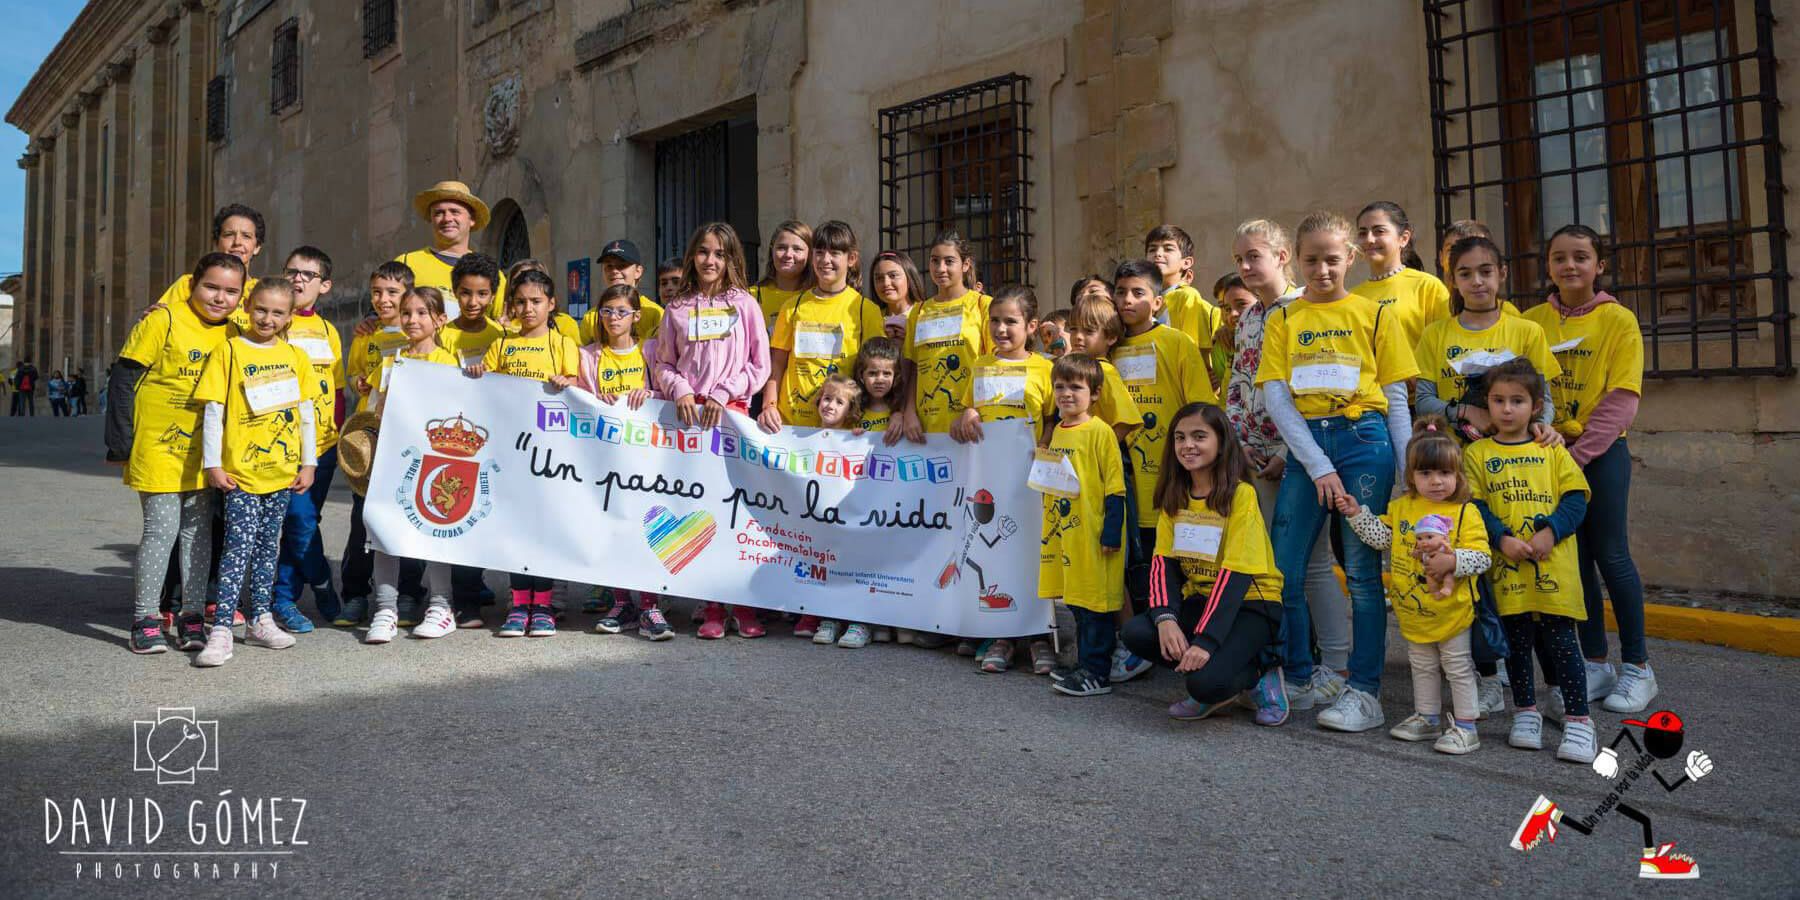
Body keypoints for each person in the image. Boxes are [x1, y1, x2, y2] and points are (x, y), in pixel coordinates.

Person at [1255, 210, 1417, 734]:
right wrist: (1318, 466)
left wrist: (1409, 471)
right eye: (1311, 260)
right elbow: (1277, 399)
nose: (1322, 270)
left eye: (1331, 259)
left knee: (1365, 575)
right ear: (1296, 262)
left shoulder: (1375, 314)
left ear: (1350, 257)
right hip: (1308, 445)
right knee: (1285, 568)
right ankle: (1301, 674)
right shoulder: (1283, 319)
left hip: (1365, 440)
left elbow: (1395, 399)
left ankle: (1364, 692)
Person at [1523, 224, 1656, 715]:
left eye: (1581, 257)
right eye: (1559, 257)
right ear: (1548, 266)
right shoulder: (1531, 322)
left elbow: (1621, 400)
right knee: (1574, 563)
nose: (1570, 266)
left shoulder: (1618, 320)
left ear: (1599, 265)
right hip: (1545, 456)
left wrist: (1575, 460)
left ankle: (1638, 667)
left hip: (1599, 456)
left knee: (1610, 555)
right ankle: (1596, 663)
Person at [1224, 218, 1351, 706]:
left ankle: (1335, 663)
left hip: (1300, 454)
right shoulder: (1249, 317)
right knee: (1281, 565)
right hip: (1254, 455)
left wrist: (1285, 452)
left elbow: (1313, 387)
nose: (1245, 266)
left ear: (1281, 257)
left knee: (1313, 562)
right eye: (1239, 259)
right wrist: (1240, 441)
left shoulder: (1303, 308)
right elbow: (1239, 382)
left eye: (1253, 256)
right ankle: (1298, 658)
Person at [106, 253, 244, 654]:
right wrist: (119, 441)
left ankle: (191, 616)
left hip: (206, 453)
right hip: (159, 447)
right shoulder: (162, 320)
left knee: (198, 535)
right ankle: (146, 619)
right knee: (161, 530)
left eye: (230, 291)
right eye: (211, 287)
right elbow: (123, 379)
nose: (219, 297)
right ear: (192, 285)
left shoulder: (235, 332)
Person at [1463, 358, 1598, 763]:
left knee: (1563, 644)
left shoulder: (1552, 449)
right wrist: (1501, 539)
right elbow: (1475, 506)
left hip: (1553, 566)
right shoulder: (1477, 454)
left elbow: (1576, 500)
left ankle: (1579, 721)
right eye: (1498, 400)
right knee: (1517, 644)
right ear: (1487, 404)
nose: (1507, 409)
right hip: (1507, 569)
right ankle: (1525, 712)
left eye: (1517, 401)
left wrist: (1550, 531)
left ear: (1536, 407)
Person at [1119, 402, 1288, 723]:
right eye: (1180, 437)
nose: (1188, 445)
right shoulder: (1175, 495)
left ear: (1221, 443)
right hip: (1202, 599)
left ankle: (1258, 672)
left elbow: (1235, 575)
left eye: (1199, 436)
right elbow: (1163, 565)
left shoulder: (1241, 495)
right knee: (1137, 633)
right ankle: (1215, 673)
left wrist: (1206, 642)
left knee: (1204, 684)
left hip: (1251, 605)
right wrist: (1165, 618)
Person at [1338, 417, 1493, 754]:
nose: (1436, 481)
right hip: (1414, 612)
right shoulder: (1401, 508)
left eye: (1444, 473)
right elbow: (1383, 539)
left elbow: (1483, 557)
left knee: (1457, 668)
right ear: (1411, 476)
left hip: (1452, 611)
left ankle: (1466, 727)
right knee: (1422, 667)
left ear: (1458, 475)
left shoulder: (1465, 512)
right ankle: (1427, 718)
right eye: (1426, 473)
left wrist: (1453, 561)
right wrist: (1357, 514)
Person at [191, 277, 321, 666]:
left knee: (268, 546)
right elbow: (213, 411)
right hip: (241, 474)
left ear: (289, 316)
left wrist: (309, 462)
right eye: (261, 309)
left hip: (281, 473)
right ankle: (221, 628)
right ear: (247, 306)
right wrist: (213, 463)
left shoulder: (295, 356)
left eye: (277, 313)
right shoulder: (229, 351)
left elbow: (306, 414)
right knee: (237, 547)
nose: (267, 318)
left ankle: (261, 619)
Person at [649, 222, 769, 638]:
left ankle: (745, 605)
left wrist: (724, 391)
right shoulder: (677, 308)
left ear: (731, 258)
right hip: (690, 425)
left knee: (738, 512)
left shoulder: (745, 305)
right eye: (703, 252)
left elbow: (759, 365)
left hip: (731, 418)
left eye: (719, 253)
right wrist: (680, 388)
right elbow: (663, 363)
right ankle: (713, 603)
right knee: (703, 513)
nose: (710, 260)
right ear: (692, 256)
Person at [943, 285, 1055, 673]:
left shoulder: (1046, 370)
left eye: (1011, 321)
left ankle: (1040, 637)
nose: (1001, 329)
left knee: (1032, 554)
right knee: (997, 553)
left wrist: (1045, 442)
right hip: (988, 483)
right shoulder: (979, 366)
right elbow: (965, 413)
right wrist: (967, 414)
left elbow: (1054, 418)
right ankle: (1003, 636)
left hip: (1030, 482)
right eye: (995, 321)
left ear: (1032, 326)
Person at [471, 268, 581, 637]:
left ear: (552, 304)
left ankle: (544, 605)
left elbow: (578, 388)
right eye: (520, 302)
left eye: (536, 301)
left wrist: (569, 382)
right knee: (516, 528)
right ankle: (519, 604)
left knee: (544, 528)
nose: (528, 308)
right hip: (510, 452)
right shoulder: (501, 345)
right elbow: (485, 388)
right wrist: (477, 374)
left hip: (550, 454)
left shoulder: (563, 344)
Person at [361, 288, 462, 644]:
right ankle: (385, 608)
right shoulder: (392, 360)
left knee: (435, 529)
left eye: (422, 313)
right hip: (394, 458)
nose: (412, 320)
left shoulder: (448, 362)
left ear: (440, 320)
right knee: (384, 530)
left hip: (434, 459)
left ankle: (441, 605)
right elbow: (375, 406)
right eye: (407, 313)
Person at [577, 284, 674, 642]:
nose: (613, 318)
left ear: (636, 316)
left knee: (646, 526)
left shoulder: (650, 350)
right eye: (606, 311)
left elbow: (668, 393)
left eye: (621, 311)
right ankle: (621, 603)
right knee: (613, 527)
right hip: (605, 458)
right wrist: (592, 397)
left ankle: (650, 603)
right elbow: (577, 397)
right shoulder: (589, 356)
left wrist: (651, 393)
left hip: (646, 457)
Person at [1036, 355, 1128, 697]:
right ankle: (1082, 664)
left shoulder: (1100, 432)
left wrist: (1111, 532)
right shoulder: (1058, 431)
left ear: (1096, 393)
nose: (1066, 394)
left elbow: (1116, 487)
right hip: (1066, 535)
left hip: (1094, 535)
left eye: (1076, 387)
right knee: (1076, 602)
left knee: (1095, 606)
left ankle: (1097, 673)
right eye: (1060, 386)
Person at [336, 261, 421, 628]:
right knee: (362, 520)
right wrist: (358, 381)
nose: (383, 299)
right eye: (377, 292)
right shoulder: (365, 335)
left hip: (408, 439)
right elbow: (355, 373)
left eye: (392, 292)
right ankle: (355, 594)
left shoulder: (416, 332)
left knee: (409, 517)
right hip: (370, 440)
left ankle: (409, 593)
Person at [1416, 235, 1561, 445]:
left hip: (1514, 453)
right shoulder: (1434, 334)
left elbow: (1544, 400)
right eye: (1465, 274)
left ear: (1502, 273)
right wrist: (1467, 411)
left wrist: (1541, 425)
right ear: (1453, 280)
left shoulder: (1528, 332)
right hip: (1452, 456)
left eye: (1485, 272)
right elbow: (1423, 402)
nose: (1477, 281)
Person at [267, 246, 345, 632]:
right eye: (291, 271)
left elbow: (339, 388)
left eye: (307, 274)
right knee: (298, 519)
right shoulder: (272, 322)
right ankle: (320, 582)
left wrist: (339, 436)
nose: (297, 279)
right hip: (281, 444)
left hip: (323, 446)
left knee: (305, 519)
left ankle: (284, 597)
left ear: (324, 286)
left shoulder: (329, 331)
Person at [758, 220, 885, 432]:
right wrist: (769, 406)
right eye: (819, 252)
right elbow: (777, 364)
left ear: (851, 259)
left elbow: (875, 371)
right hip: (790, 426)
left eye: (835, 253)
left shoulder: (866, 310)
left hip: (842, 429)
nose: (825, 260)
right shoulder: (792, 307)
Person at [800, 374, 876, 648]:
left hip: (849, 517)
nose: (830, 405)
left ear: (851, 410)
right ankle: (829, 618)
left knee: (852, 564)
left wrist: (858, 440)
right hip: (819, 521)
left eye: (839, 402)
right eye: (827, 398)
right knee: (826, 565)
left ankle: (859, 621)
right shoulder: (802, 436)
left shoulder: (855, 439)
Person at [903, 230, 991, 435]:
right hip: (926, 426)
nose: (940, 268)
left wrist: (972, 409)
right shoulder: (918, 310)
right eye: (935, 261)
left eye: (949, 261)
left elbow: (994, 363)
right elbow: (913, 367)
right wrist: (909, 412)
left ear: (965, 265)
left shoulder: (983, 305)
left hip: (971, 423)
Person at [1350, 201, 1451, 349]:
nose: (1369, 239)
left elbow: (1445, 344)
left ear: (1403, 238)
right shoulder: (1353, 296)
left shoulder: (1427, 287)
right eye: (1363, 233)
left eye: (1379, 231)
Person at [393, 180, 507, 303]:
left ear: (472, 219)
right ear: (431, 219)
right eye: (439, 213)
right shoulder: (406, 264)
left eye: (455, 212)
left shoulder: (490, 273)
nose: (447, 218)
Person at [1144, 225, 1221, 386]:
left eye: (1168, 249)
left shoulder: (1186, 296)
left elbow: (1191, 348)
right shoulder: (1147, 300)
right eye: (1152, 249)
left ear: (1186, 262)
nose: (1158, 254)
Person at [578, 239, 666, 345]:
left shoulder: (655, 313)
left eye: (622, 265)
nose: (614, 271)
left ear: (638, 271)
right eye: (609, 266)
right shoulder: (591, 317)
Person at [751, 221, 814, 336]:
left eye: (797, 249)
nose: (788, 254)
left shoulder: (817, 297)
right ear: (772, 250)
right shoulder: (751, 297)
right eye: (781, 248)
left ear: (810, 254)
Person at [868, 250, 926, 339]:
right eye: (879, 278)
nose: (886, 283)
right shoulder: (872, 319)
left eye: (893, 275)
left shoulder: (925, 313)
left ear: (909, 278)